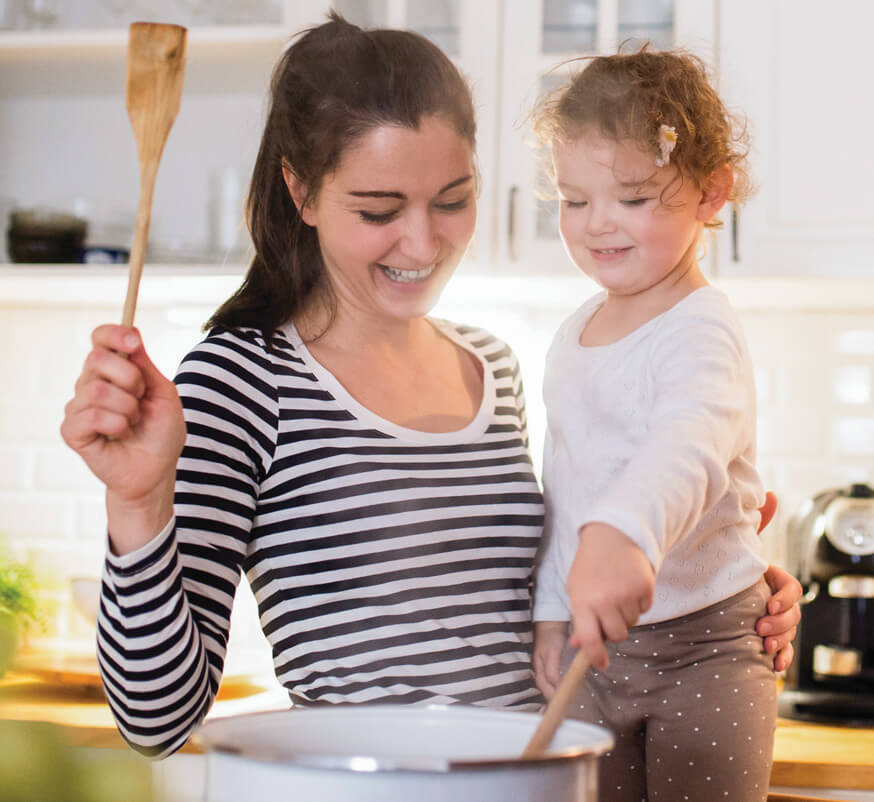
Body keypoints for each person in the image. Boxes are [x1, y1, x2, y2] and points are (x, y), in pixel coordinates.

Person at [60, 16, 800, 760]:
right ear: (301, 190)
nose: (422, 243)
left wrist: (716, 595)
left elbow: (573, 577)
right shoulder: (243, 381)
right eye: (379, 211)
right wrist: (137, 503)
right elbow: (155, 719)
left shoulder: (493, 367)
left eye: (452, 199)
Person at [530, 48, 791, 800]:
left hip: (708, 648)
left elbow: (691, 440)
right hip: (593, 656)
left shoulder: (700, 327)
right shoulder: (571, 336)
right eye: (574, 200)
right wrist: (551, 613)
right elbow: (566, 490)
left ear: (711, 192)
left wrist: (625, 533)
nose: (597, 224)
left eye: (634, 198)